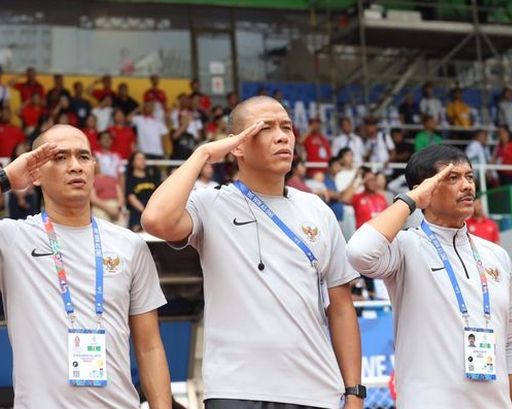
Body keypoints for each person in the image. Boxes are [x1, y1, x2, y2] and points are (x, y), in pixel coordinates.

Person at [141, 96, 364, 409]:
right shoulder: (211, 204)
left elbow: (340, 307)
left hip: (315, 390)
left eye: (287, 127)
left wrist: (354, 392)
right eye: (265, 128)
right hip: (235, 389)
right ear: (237, 145)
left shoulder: (317, 209)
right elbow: (156, 220)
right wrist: (204, 152)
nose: (283, 136)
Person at [0, 124, 170, 408]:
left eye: (83, 156)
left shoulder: (130, 244)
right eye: (59, 157)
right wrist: (6, 178)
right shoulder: (12, 239)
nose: (75, 166)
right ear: (35, 173)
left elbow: (150, 346)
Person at [346, 144, 512, 409]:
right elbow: (359, 252)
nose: (467, 186)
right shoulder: (405, 246)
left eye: (469, 176)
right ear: (425, 190)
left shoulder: (496, 255)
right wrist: (411, 200)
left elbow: (511, 341)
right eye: (452, 178)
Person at [125, 151, 158, 232]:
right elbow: (131, 198)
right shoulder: (130, 179)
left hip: (153, 208)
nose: (142, 161)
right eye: (139, 159)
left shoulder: (152, 178)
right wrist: (145, 211)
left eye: (143, 159)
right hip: (138, 211)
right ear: (132, 163)